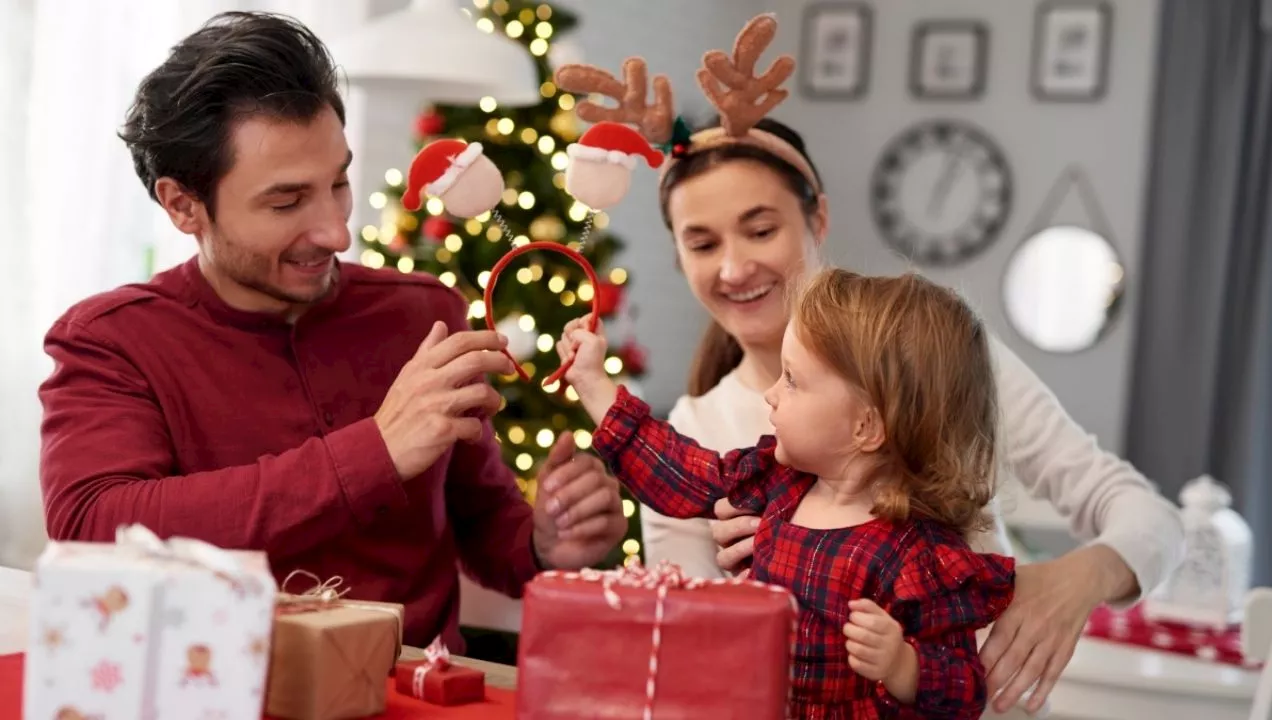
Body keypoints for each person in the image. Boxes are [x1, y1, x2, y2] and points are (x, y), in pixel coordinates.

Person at [36, 11, 627, 650]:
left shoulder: (421, 315)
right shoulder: (110, 340)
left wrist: (544, 540)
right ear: (183, 205)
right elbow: (96, 526)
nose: (336, 232)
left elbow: (484, 525)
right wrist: (375, 452)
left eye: (339, 182)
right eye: (286, 202)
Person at [643, 115, 1185, 714]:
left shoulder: (937, 359)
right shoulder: (689, 436)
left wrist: (1082, 577)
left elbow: (1154, 520)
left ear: (817, 219)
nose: (734, 268)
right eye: (702, 243)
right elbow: (687, 648)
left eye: (761, 230)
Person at [558, 268, 1018, 718]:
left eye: (793, 379)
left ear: (866, 426)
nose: (771, 394)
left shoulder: (920, 557)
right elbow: (676, 469)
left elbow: (965, 690)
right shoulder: (778, 484)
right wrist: (593, 383)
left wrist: (904, 666)